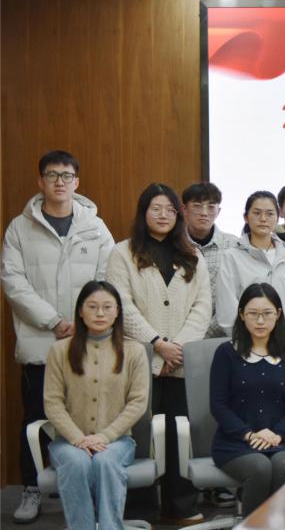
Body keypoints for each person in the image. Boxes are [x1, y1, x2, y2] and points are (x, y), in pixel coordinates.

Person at [1, 150, 115, 524]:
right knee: (35, 419)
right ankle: (31, 488)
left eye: (67, 176)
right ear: (41, 181)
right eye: (52, 175)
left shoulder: (94, 227)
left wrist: (85, 322)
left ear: (76, 182)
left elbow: (107, 277)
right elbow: (13, 282)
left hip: (89, 341)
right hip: (41, 341)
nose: (60, 182)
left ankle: (80, 492)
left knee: (85, 418)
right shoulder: (20, 228)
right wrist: (53, 321)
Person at [104, 183, 211, 525]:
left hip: (181, 361)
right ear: (143, 212)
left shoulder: (193, 254)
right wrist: (156, 344)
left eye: (170, 209)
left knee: (180, 432)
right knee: (141, 433)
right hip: (139, 359)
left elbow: (202, 307)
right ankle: (140, 508)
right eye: (156, 208)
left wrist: (175, 348)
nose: (163, 215)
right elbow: (121, 304)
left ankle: (180, 505)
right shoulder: (122, 253)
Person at [42, 281, 149, 530]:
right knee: (76, 461)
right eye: (92, 307)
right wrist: (78, 439)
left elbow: (138, 402)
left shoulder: (134, 351)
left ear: (117, 311)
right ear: (80, 311)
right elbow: (52, 403)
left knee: (105, 460)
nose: (100, 313)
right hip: (68, 442)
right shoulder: (59, 350)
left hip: (117, 442)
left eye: (107, 307)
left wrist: (104, 436)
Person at [210, 283, 285, 517]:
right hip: (235, 442)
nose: (260, 321)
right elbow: (218, 405)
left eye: (267, 313)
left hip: (279, 440)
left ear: (278, 314)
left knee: (284, 465)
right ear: (242, 315)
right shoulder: (226, 353)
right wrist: (249, 435)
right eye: (253, 313)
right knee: (260, 467)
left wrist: (277, 434)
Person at [216, 191, 285, 347]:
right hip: (245, 347)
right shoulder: (231, 257)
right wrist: (248, 345)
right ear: (246, 217)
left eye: (270, 214)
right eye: (257, 213)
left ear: (278, 217)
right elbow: (226, 308)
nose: (263, 219)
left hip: (284, 346)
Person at [181, 181, 241, 338]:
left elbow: (236, 294)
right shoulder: (173, 245)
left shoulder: (234, 245)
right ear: (184, 209)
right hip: (179, 334)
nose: (204, 213)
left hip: (221, 334)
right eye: (197, 206)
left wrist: (206, 333)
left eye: (211, 207)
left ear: (218, 211)